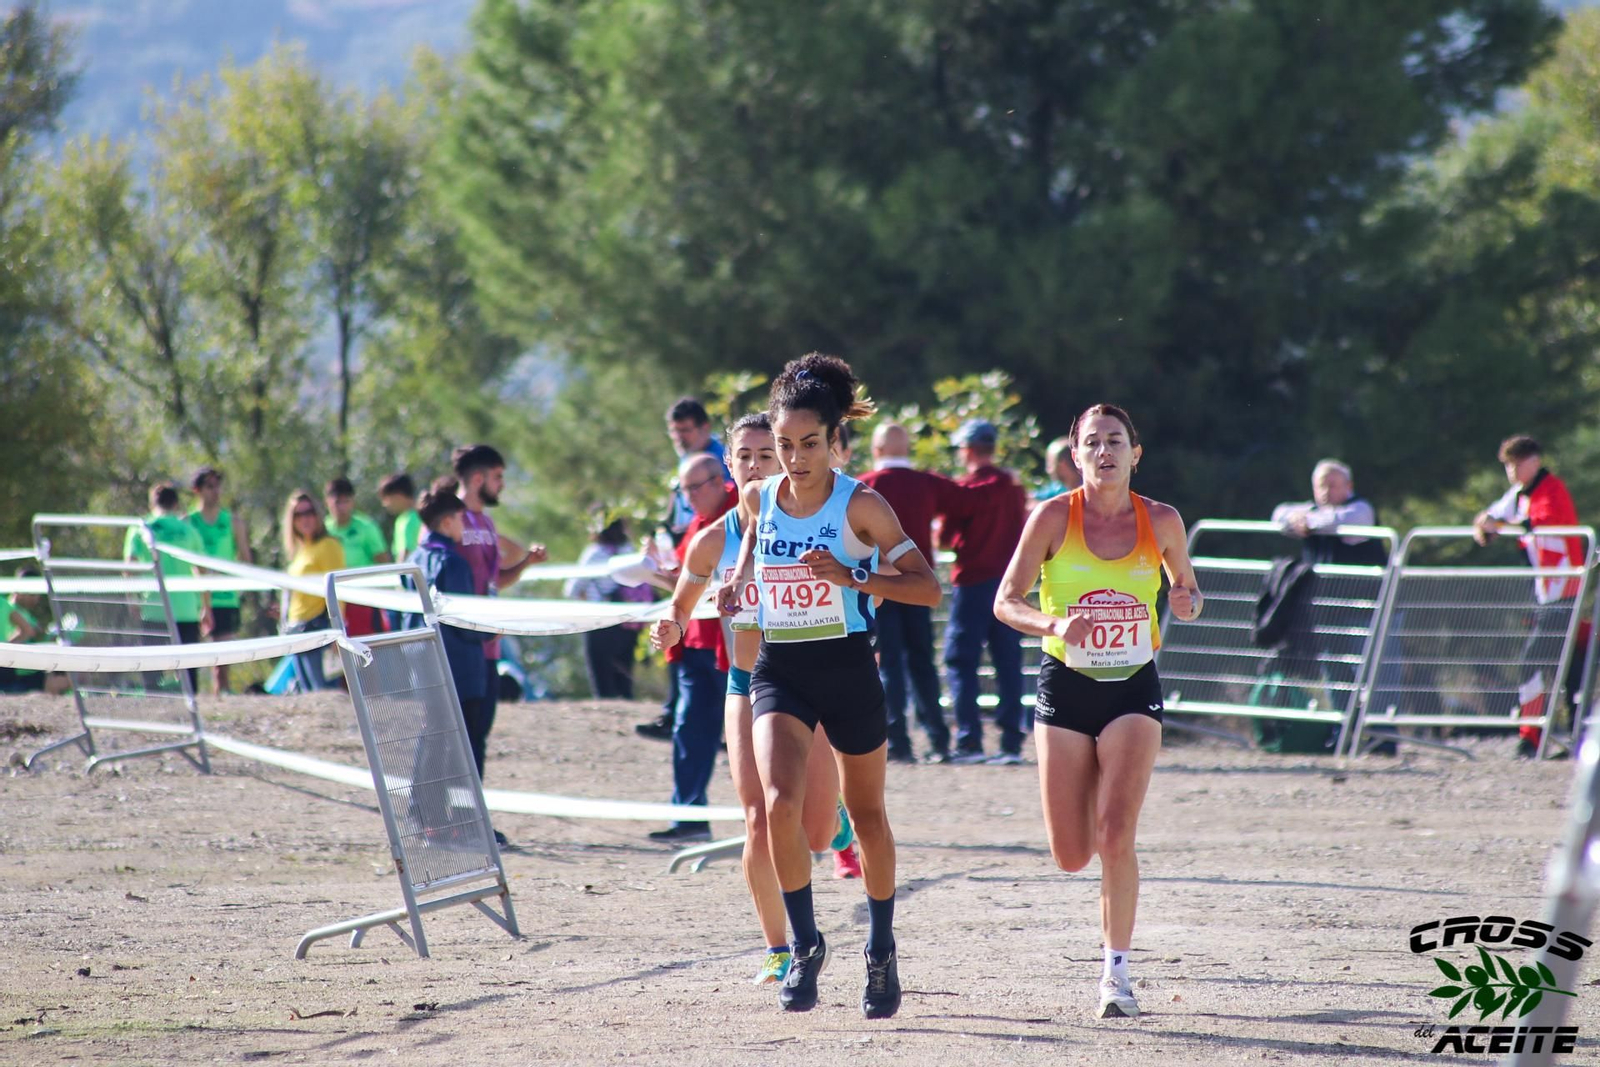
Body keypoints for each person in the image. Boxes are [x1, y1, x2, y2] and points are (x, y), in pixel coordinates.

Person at [719, 353, 942, 1019]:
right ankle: (806, 944)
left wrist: (854, 579)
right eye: (783, 446)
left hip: (847, 665)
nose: (794, 458)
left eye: (808, 444)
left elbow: (929, 588)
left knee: (866, 816)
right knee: (780, 804)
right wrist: (735, 582)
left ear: (834, 441)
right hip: (780, 667)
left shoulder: (863, 505)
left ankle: (880, 946)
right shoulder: (760, 497)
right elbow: (755, 544)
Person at [994, 403, 1201, 1020]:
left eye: (1116, 441)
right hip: (1065, 684)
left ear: (1136, 454)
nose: (1104, 451)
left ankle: (1117, 975)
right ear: (1075, 453)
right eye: (1093, 442)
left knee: (1116, 834)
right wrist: (1054, 622)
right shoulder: (1053, 516)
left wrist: (1187, 600)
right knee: (1071, 851)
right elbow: (1007, 601)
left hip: (1133, 686)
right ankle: (1082, 822)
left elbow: (1184, 587)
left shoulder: (1161, 520)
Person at [650, 413, 856, 983]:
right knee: (759, 818)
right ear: (729, 465)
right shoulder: (715, 537)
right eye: (746, 456)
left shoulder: (813, 520)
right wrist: (669, 626)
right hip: (746, 685)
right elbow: (681, 603)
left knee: (812, 833)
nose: (757, 466)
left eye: (768, 455)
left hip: (806, 683)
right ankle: (778, 947)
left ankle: (835, 820)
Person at [858, 421, 971, 764]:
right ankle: (938, 738)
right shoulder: (926, 482)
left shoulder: (863, 486)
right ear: (907, 448)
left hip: (879, 585)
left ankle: (897, 740)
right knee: (923, 662)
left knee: (888, 664)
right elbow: (970, 501)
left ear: (877, 450)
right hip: (919, 587)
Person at [451, 445, 547, 835]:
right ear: (478, 479)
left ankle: (470, 819)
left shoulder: (487, 525)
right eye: (497, 478)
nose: (501, 485)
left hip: (489, 648)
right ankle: (454, 821)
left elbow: (494, 582)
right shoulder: (449, 520)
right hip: (461, 648)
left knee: (478, 737)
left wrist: (524, 565)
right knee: (459, 739)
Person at [1473, 435, 1588, 755]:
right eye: (1508, 465)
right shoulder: (1519, 495)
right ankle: (1575, 737)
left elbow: (1543, 522)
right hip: (1544, 595)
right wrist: (1484, 524)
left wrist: (1501, 524)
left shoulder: (1552, 490)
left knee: (1533, 661)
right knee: (1571, 668)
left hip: (1564, 591)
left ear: (1534, 460)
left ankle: (1532, 736)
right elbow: (1490, 516)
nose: (1512, 471)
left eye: (1517, 463)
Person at [646, 452, 738, 843]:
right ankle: (689, 818)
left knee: (749, 736)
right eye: (684, 491)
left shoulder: (741, 519)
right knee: (689, 731)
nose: (688, 498)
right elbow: (688, 588)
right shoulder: (697, 527)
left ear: (719, 481)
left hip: (732, 647)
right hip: (695, 647)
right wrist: (661, 574)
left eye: (693, 489)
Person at [639, 398, 733, 741]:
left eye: (686, 430)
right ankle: (672, 712)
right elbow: (676, 517)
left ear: (704, 429)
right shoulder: (686, 464)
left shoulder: (719, 466)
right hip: (687, 555)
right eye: (673, 431)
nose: (678, 437)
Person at [400, 486, 492, 828]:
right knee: (456, 746)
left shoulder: (413, 559)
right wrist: (491, 630)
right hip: (458, 664)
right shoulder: (453, 562)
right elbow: (463, 621)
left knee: (432, 734)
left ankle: (421, 812)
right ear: (448, 520)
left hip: (420, 658)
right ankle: (445, 819)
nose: (464, 527)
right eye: (461, 520)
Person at [941, 419, 1029, 764]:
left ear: (967, 450)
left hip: (972, 584)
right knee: (1008, 662)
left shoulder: (967, 489)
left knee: (961, 661)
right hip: (1009, 585)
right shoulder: (1013, 486)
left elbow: (945, 538)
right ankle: (1010, 743)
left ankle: (970, 741)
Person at [124, 482, 212, 695]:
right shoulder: (189, 530)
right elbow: (202, 570)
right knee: (188, 675)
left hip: (153, 608)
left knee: (152, 674)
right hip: (186, 610)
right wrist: (206, 606)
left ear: (152, 503)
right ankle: (191, 718)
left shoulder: (140, 529)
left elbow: (129, 569)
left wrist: (132, 599)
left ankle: (154, 722)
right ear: (175, 503)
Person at [187, 466, 253, 695]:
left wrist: (236, 579)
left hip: (225, 597)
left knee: (224, 654)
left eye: (218, 486)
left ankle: (222, 694)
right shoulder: (188, 522)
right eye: (209, 486)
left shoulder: (233, 521)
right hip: (194, 598)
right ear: (197, 490)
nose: (215, 491)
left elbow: (246, 558)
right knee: (194, 653)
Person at [565, 516, 645, 700]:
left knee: (602, 678)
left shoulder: (593, 554)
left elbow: (572, 589)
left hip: (599, 621)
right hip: (627, 622)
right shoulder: (629, 551)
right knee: (624, 675)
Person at [281, 490, 346, 692]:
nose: (305, 519)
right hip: (296, 631)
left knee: (325, 694)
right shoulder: (301, 550)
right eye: (298, 515)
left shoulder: (328, 545)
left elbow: (338, 591)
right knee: (308, 696)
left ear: (318, 514)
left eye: (309, 512)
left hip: (319, 630)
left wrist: (338, 631)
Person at [1270, 459, 1383, 565]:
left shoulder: (1361, 508)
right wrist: (1293, 519)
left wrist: (1308, 522)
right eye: (1321, 485)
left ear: (1349, 486)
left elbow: (1340, 519)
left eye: (1332, 485)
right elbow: (1279, 513)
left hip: (1360, 584)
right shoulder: (1312, 509)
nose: (1326, 491)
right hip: (1320, 584)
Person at [323, 477, 391, 638]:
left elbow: (383, 560)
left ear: (352, 502)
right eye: (337, 502)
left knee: (370, 644)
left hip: (364, 599)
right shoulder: (323, 530)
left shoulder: (366, 527)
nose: (342, 507)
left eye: (346, 501)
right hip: (333, 600)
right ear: (328, 502)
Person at [0, 566, 69, 695]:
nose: (37, 598)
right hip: (18, 671)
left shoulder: (15, 609)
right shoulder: (7, 606)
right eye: (34, 593)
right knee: (67, 678)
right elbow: (29, 632)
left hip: (20, 667)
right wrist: (7, 649)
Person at [380, 472, 423, 563]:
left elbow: (405, 554)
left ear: (398, 495)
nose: (384, 504)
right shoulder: (402, 519)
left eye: (386, 498)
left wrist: (398, 576)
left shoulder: (409, 520)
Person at [1033, 435, 1083, 503]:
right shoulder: (1058, 490)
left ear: (1063, 465)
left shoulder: (1090, 492)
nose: (1047, 471)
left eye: (1050, 465)